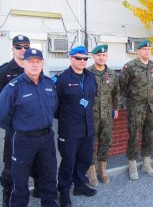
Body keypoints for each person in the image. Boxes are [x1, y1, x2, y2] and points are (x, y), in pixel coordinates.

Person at [0, 48, 58, 207]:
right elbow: (2, 114)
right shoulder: (14, 86)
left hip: (46, 138)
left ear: (42, 63)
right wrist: (21, 127)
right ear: (23, 63)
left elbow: (54, 107)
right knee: (19, 179)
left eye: (38, 61)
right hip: (24, 139)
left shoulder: (48, 83)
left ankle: (49, 203)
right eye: (30, 61)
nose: (34, 64)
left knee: (49, 175)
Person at [53, 46, 97, 207]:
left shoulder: (91, 77)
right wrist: (68, 117)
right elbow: (54, 106)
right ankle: (63, 191)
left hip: (87, 127)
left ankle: (79, 185)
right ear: (71, 58)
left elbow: (92, 98)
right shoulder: (61, 78)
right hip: (70, 129)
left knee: (84, 159)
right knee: (68, 161)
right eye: (79, 58)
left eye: (85, 58)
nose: (82, 61)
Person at [0, 35, 40, 206]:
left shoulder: (35, 68)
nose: (23, 49)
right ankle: (7, 198)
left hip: (36, 128)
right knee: (11, 167)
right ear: (13, 49)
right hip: (15, 130)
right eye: (19, 46)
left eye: (26, 46)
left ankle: (39, 190)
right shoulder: (3, 71)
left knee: (38, 162)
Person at [119, 39, 153, 180]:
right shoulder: (129, 67)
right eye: (144, 49)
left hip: (151, 107)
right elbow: (122, 88)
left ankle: (146, 163)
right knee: (134, 136)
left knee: (150, 135)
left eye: (149, 49)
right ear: (138, 51)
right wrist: (126, 105)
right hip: (135, 107)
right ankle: (132, 164)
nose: (147, 52)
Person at [87, 44, 120, 186]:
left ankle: (102, 169)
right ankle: (91, 171)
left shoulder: (112, 74)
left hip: (107, 115)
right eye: (98, 55)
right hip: (91, 115)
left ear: (107, 56)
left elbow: (116, 92)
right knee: (91, 144)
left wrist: (116, 108)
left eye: (104, 55)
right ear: (93, 56)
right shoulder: (86, 73)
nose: (101, 57)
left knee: (105, 142)